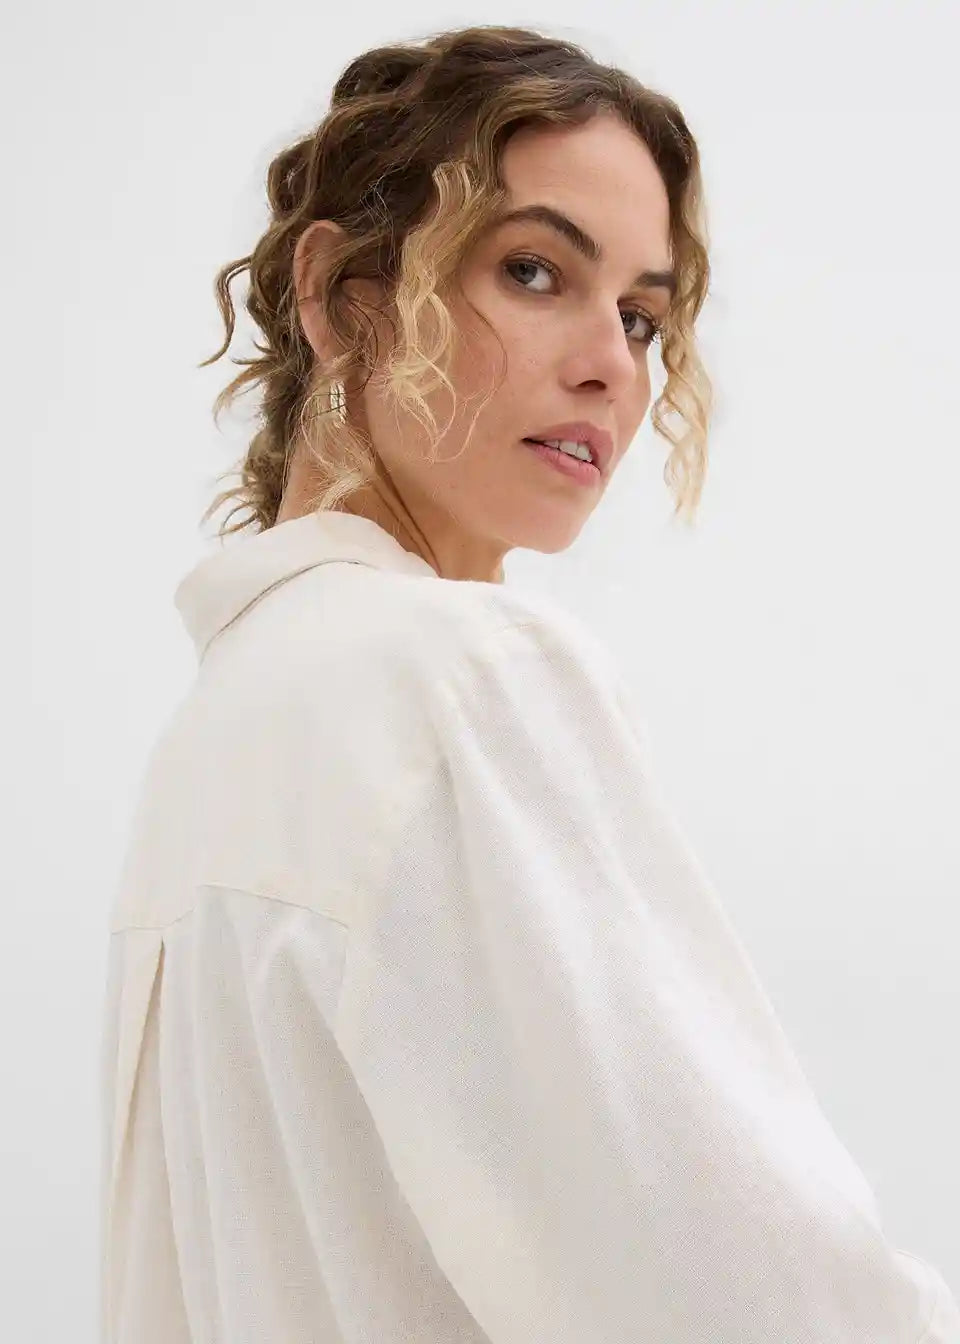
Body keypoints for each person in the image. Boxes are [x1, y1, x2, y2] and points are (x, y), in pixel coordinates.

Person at [99, 23, 960, 1344]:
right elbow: (745, 1296)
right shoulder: (451, 678)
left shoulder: (220, 731)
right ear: (338, 294)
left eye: (641, 316)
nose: (613, 362)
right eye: (533, 269)